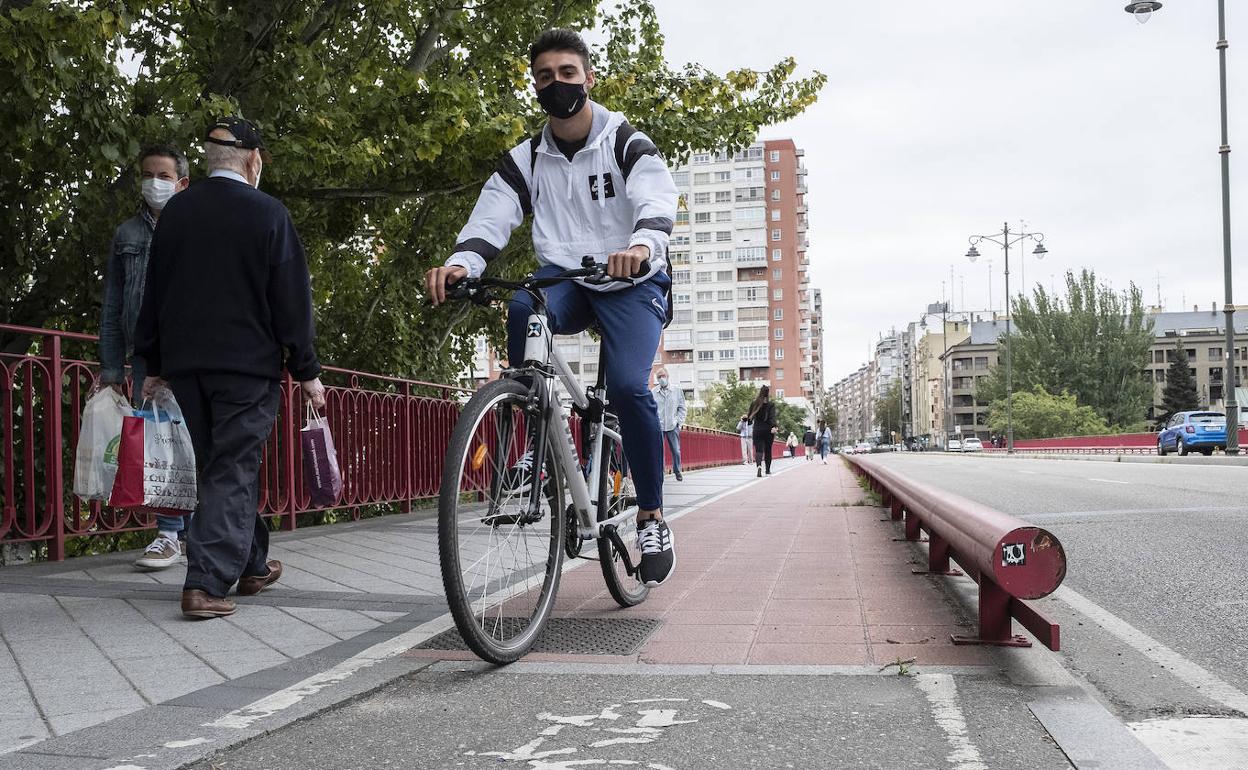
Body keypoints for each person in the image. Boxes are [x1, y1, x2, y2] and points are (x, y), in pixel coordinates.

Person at [424, 29, 677, 587]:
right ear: (534, 84)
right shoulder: (527, 157)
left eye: (567, 73)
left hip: (631, 280)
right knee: (522, 307)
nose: (556, 84)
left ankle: (654, 518)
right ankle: (530, 441)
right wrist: (462, 264)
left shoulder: (624, 141)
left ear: (588, 77)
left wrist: (640, 248)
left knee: (632, 389)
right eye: (545, 76)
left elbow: (658, 202)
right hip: (565, 277)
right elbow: (490, 217)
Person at [134, 117, 326, 619]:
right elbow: (291, 300)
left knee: (222, 464)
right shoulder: (268, 214)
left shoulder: (175, 214)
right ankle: (205, 582)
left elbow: (155, 292)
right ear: (254, 161)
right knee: (233, 466)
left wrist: (152, 361)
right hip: (247, 366)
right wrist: (307, 370)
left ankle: (252, 564)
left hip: (188, 366)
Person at [99, 144, 192, 570]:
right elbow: (113, 306)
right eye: (147, 173)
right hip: (143, 359)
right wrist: (111, 367)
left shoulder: (196, 228)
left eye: (163, 175)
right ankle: (169, 534)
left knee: (192, 444)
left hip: (190, 355)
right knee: (159, 444)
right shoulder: (126, 235)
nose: (154, 182)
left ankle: (190, 533)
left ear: (182, 182)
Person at [651, 369, 686, 481]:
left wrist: (679, 422)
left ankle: (677, 471)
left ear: (667, 376)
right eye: (659, 377)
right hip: (658, 426)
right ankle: (660, 473)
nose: (661, 379)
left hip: (672, 425)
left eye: (663, 376)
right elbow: (650, 409)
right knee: (658, 452)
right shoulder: (653, 392)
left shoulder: (676, 390)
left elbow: (682, 408)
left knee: (676, 450)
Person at [747, 385, 778, 477]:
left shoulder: (754, 403)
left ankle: (759, 466)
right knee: (768, 450)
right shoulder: (771, 404)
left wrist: (747, 420)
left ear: (760, 392)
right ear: (768, 393)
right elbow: (772, 418)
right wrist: (774, 426)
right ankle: (767, 470)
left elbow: (749, 418)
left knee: (759, 450)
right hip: (768, 430)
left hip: (757, 429)